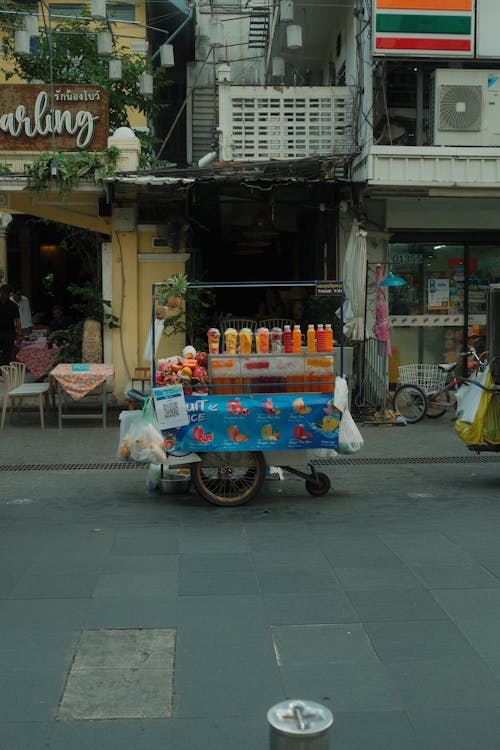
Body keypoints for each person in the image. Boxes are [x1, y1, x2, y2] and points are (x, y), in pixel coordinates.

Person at [0, 284, 22, 366]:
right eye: (3, 293)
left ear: (9, 294)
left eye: (7, 293)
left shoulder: (13, 305)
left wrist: (19, 334)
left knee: (7, 353)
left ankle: (4, 372)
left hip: (9, 332)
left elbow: (17, 320)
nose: (4, 295)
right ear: (0, 292)